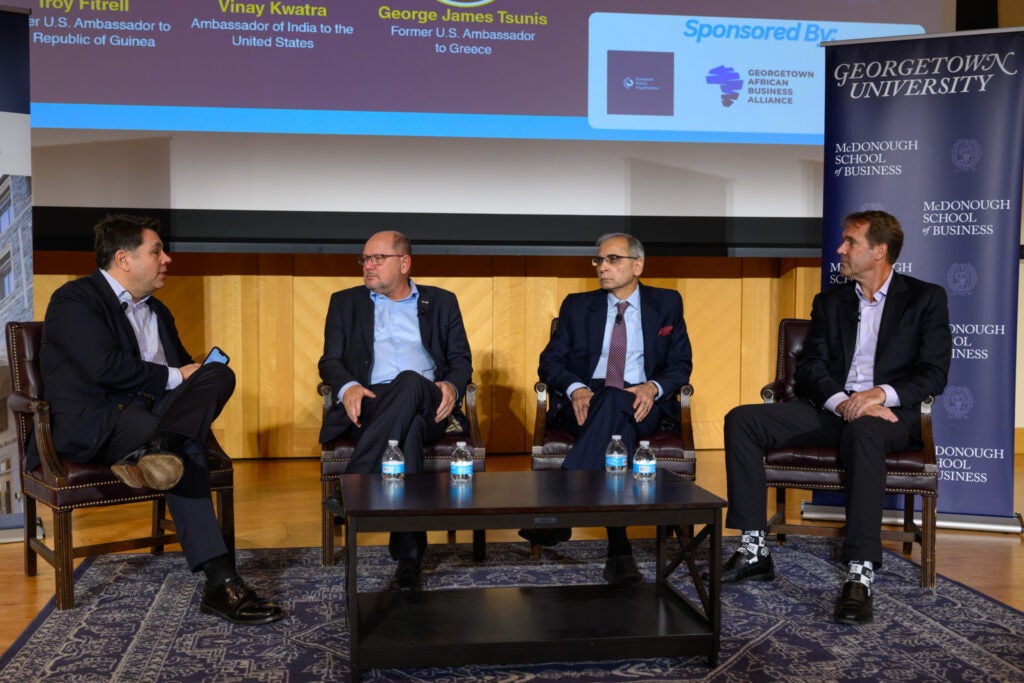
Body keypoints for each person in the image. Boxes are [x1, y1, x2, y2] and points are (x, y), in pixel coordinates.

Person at [38, 214, 284, 625]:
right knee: (187, 446)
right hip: (100, 421)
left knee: (218, 373)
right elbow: (105, 369)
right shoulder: (74, 300)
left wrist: (193, 372)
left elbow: (182, 372)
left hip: (153, 417)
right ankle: (221, 581)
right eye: (157, 251)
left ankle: (158, 449)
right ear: (124, 259)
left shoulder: (159, 310)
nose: (167, 259)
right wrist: (179, 376)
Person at [722, 210, 951, 625]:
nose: (840, 250)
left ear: (880, 251)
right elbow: (811, 366)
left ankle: (859, 573)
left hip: (890, 416)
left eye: (850, 242)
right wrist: (841, 400)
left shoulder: (925, 298)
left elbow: (934, 373)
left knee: (865, 431)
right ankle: (754, 548)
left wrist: (879, 395)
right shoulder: (831, 301)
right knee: (742, 419)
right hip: (832, 409)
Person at [524, 233, 693, 584]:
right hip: (586, 401)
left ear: (638, 265)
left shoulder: (667, 303)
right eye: (599, 261)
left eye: (613, 259)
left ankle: (562, 508)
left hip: (643, 402)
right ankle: (618, 549)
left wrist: (653, 386)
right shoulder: (576, 305)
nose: (603, 267)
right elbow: (549, 363)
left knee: (619, 404)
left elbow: (681, 364)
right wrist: (576, 388)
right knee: (616, 419)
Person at [319, 230, 473, 591]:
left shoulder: (442, 301)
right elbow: (330, 360)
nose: (367, 266)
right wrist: (349, 387)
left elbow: (461, 359)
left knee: (409, 381)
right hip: (373, 402)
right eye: (364, 259)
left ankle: (352, 484)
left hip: (430, 397)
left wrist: (451, 384)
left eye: (377, 259)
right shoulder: (345, 302)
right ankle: (408, 559)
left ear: (404, 263)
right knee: (411, 430)